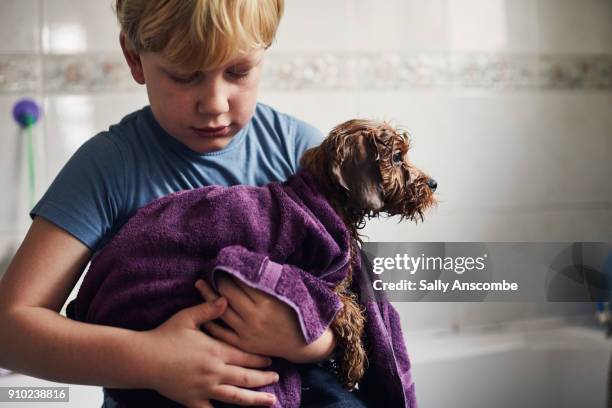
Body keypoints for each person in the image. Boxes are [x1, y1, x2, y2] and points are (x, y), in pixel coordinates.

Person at [0, 1, 367, 407]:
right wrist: (153, 361)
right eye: (185, 75)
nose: (214, 103)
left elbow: (366, 314)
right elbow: (10, 330)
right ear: (134, 59)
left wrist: (313, 341)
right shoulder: (108, 168)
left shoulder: (300, 154)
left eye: (238, 72)